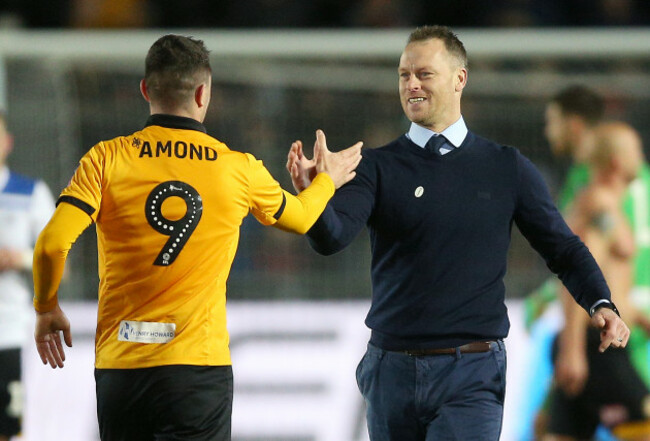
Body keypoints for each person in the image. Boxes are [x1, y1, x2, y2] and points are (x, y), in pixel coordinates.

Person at [286, 25, 629, 441]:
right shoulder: (376, 166)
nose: (411, 84)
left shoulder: (507, 167)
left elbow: (563, 248)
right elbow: (331, 239)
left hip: (472, 372)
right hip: (391, 371)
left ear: (459, 79)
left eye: (424, 74)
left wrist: (600, 301)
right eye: (403, 75)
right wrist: (315, 197)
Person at [31, 34, 362, 441]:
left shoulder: (107, 158)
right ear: (203, 93)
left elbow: (50, 244)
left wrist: (47, 307)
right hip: (197, 369)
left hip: (122, 367)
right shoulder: (236, 168)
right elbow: (305, 218)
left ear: (145, 90)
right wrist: (324, 182)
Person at [543, 122, 650, 441]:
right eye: (636, 151)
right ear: (617, 162)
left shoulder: (605, 204)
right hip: (596, 346)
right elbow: (577, 277)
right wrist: (572, 349)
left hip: (593, 342)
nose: (641, 158)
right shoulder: (599, 206)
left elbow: (608, 276)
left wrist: (635, 316)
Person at [525, 85, 606, 329]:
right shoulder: (582, 175)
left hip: (612, 318)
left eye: (552, 122)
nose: (548, 132)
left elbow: (594, 249)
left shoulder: (596, 180)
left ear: (574, 124)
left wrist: (545, 296)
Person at [0, 112, 55, 441]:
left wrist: (17, 258)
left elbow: (55, 252)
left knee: (8, 424)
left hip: (7, 328)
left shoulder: (30, 193)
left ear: (8, 142)